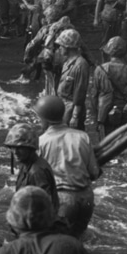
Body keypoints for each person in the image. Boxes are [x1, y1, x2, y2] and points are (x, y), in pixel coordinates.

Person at [35, 94, 99, 237]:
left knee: (59, 242)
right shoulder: (83, 136)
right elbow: (94, 173)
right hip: (86, 199)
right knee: (78, 240)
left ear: (44, 119)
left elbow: (39, 180)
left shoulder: (41, 142)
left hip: (63, 199)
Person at [88, 36, 127, 140]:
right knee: (124, 143)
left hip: (105, 114)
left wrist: (97, 118)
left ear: (109, 52)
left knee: (106, 143)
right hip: (126, 113)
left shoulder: (99, 70)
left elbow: (94, 96)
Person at [4, 123, 60, 214]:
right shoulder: (26, 163)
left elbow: (45, 206)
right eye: (12, 147)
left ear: (30, 148)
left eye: (20, 148)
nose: (15, 152)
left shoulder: (37, 171)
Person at [54, 29, 93, 130]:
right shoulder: (67, 62)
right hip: (63, 106)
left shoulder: (80, 65)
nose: (59, 48)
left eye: (61, 45)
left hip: (71, 109)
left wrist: (75, 116)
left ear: (68, 47)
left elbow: (80, 93)